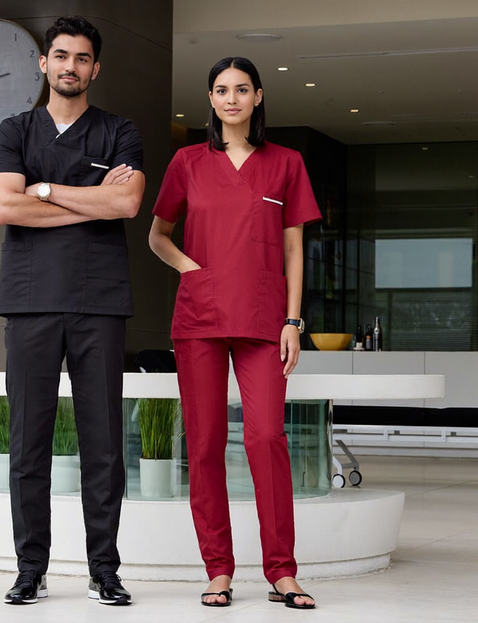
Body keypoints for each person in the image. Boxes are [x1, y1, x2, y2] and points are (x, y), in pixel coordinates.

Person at [148, 56, 319, 610]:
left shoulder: (286, 163)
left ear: (259, 97)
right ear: (211, 99)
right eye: (221, 90)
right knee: (203, 444)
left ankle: (282, 570)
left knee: (266, 437)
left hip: (266, 319)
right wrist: (193, 271)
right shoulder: (187, 162)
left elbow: (294, 249)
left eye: (241, 90)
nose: (231, 99)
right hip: (200, 318)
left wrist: (293, 320)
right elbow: (158, 236)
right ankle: (218, 569)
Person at [0, 16, 144, 607]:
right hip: (29, 303)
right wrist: (90, 201)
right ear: (43, 63)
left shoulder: (120, 131)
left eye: (81, 58)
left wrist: (45, 190)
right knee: (29, 443)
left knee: (103, 445)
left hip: (99, 303)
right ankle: (31, 569)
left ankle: (104, 569)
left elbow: (126, 201)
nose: (70, 66)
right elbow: (5, 208)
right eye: (60, 56)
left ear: (94, 68)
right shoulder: (14, 129)